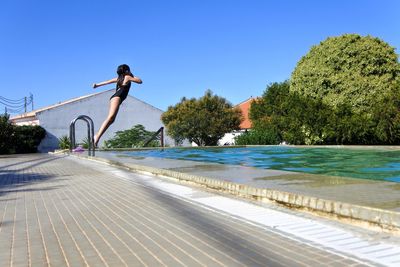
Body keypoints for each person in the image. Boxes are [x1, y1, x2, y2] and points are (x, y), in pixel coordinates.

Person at [92, 64, 142, 147]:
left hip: (116, 98)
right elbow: (140, 81)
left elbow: (107, 82)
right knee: (110, 117)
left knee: (112, 119)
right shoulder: (127, 77)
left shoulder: (120, 78)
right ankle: (97, 136)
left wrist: (97, 85)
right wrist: (130, 75)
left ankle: (97, 136)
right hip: (117, 97)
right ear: (127, 71)